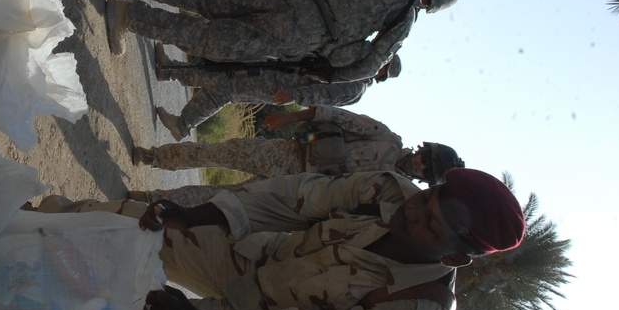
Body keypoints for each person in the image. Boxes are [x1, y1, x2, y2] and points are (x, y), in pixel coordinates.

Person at [0, 168, 525, 310]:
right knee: (131, 221)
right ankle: (12, 222)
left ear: (450, 255)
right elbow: (290, 199)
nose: (411, 211)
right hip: (251, 257)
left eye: (428, 223)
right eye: (425, 198)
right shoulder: (387, 192)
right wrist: (195, 214)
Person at [104, 0, 459, 85]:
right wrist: (330, 73)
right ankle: (127, 17)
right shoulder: (405, 17)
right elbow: (369, 65)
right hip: (300, 34)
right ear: (429, 1)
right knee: (209, 39)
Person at [130, 105, 464, 205]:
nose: (419, 163)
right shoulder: (385, 138)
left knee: (220, 200)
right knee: (219, 152)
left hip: (297, 190)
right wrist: (290, 118)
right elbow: (333, 116)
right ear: (422, 149)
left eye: (425, 168)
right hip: (287, 155)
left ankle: (152, 200)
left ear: (423, 178)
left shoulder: (394, 192)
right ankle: (157, 157)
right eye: (425, 157)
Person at [152, 44, 401, 141]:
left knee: (225, 89)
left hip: (280, 87)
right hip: (280, 69)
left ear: (381, 75)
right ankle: (170, 69)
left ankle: (183, 125)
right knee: (223, 72)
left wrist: (294, 96)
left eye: (383, 66)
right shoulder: (354, 66)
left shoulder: (356, 86)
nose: (378, 63)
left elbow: (324, 97)